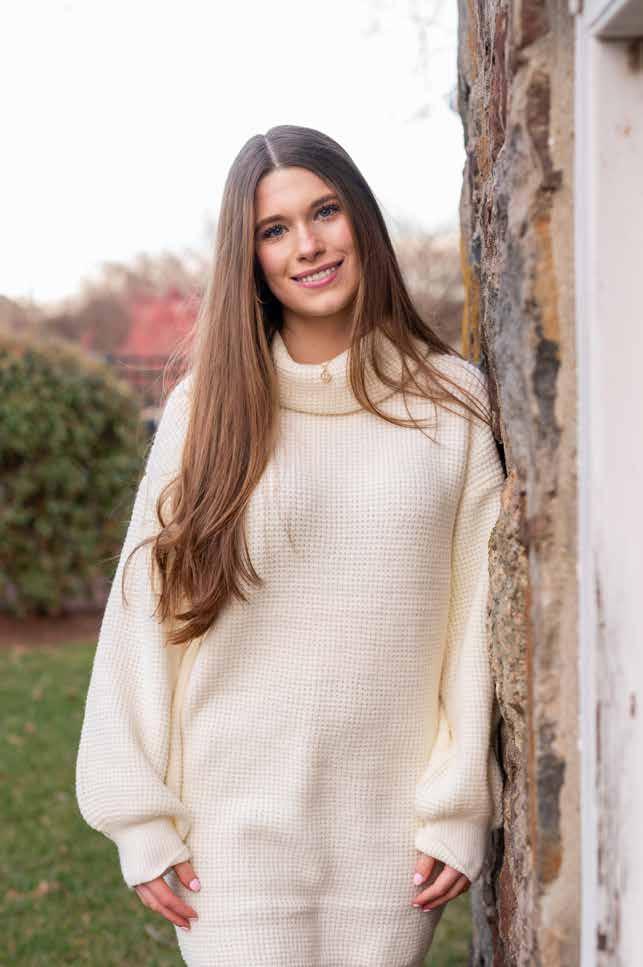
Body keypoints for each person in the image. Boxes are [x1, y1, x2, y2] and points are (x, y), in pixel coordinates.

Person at [75, 124, 505, 967]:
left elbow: (475, 625)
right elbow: (143, 617)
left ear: (361, 221)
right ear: (249, 256)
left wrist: (456, 808)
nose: (306, 245)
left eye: (324, 212)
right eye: (274, 229)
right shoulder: (207, 410)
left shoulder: (453, 402)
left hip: (388, 835)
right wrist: (139, 816)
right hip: (228, 832)